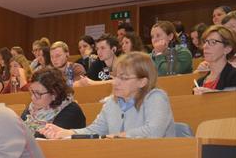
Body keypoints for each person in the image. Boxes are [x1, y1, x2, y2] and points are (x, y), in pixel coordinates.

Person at [41, 52, 175, 139]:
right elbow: (95, 130)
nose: (115, 82)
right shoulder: (112, 102)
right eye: (115, 76)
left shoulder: (156, 97)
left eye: (123, 78)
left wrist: (116, 137)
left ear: (142, 82)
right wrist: (66, 132)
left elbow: (154, 132)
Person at [21, 67, 86, 137]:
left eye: (38, 93)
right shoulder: (31, 108)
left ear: (54, 94)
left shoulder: (71, 110)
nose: (32, 97)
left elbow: (45, 137)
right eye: (32, 92)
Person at [194, 25, 236, 93]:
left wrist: (213, 94)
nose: (205, 46)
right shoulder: (199, 83)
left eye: (213, 42)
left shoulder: (235, 76)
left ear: (227, 49)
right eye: (205, 42)